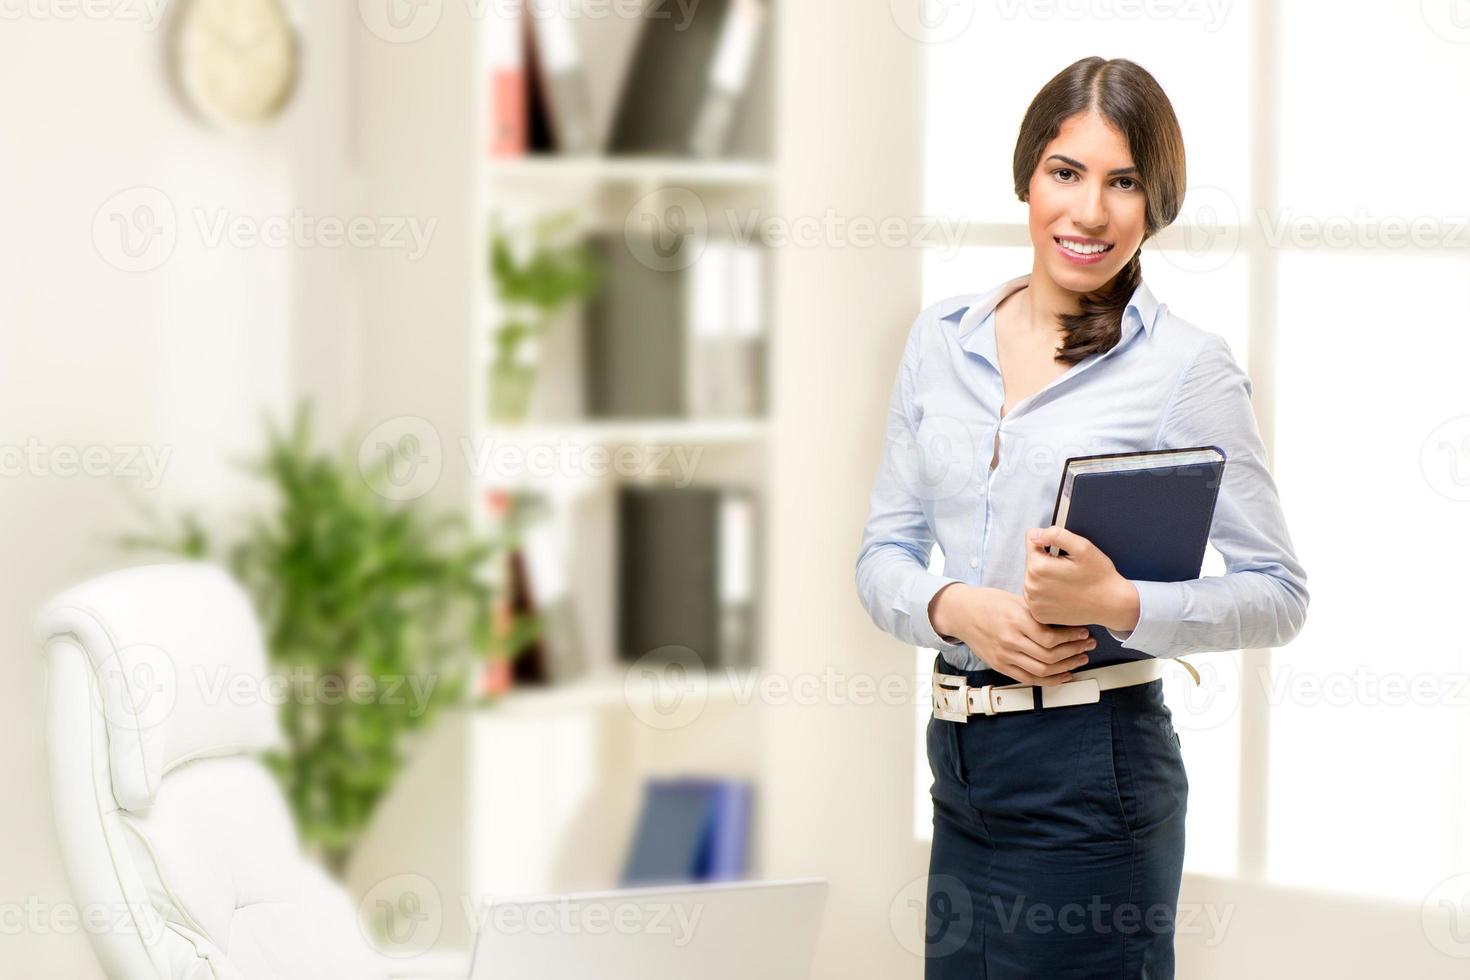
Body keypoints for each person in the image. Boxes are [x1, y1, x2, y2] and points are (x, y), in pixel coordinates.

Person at [854, 56, 1309, 979]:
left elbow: (1279, 594)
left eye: (1123, 182)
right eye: (1066, 172)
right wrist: (952, 607)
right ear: (1028, 175)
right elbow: (883, 553)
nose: (1089, 212)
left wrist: (1120, 602)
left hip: (1094, 774)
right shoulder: (941, 342)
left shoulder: (1187, 369)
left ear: (1156, 205)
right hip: (961, 767)